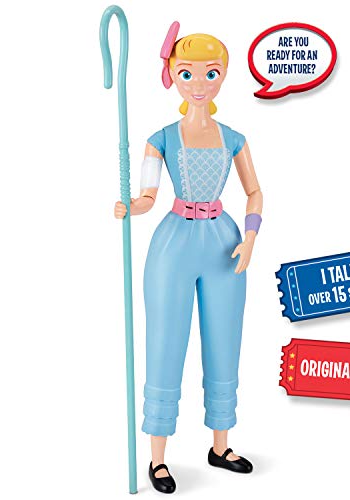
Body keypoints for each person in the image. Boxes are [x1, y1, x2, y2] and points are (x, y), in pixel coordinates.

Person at [114, 22, 263, 494]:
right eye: (187, 73)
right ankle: (158, 458)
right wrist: (132, 206)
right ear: (173, 77)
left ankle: (220, 445)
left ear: (223, 77)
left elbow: (254, 192)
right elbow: (148, 194)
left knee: (225, 342)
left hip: (224, 244)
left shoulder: (235, 139)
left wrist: (251, 236)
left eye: (211, 73)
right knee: (165, 342)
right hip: (174, 245)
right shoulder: (160, 138)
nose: (199, 83)